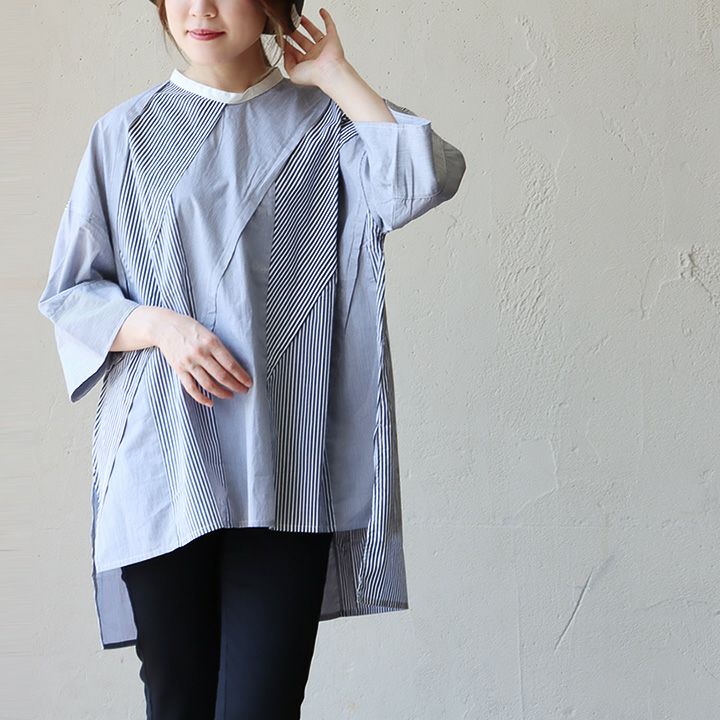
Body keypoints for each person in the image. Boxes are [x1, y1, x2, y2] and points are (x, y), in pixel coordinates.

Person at [37, 0, 467, 717]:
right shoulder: (125, 135)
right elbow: (73, 293)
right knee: (177, 702)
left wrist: (336, 74)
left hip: (287, 466)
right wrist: (161, 328)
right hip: (163, 465)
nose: (199, 9)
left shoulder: (329, 122)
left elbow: (418, 182)